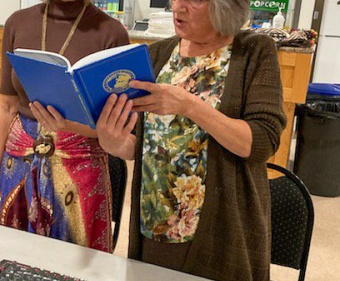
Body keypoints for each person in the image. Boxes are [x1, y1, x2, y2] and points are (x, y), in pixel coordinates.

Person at [96, 0, 286, 279]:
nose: (177, 7)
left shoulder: (254, 51)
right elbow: (141, 142)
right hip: (154, 220)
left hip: (223, 228)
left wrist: (189, 106)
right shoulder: (158, 53)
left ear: (226, 7)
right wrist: (113, 143)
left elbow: (261, 143)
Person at [0, 0, 129, 253]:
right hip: (19, 162)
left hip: (80, 164)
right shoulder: (17, 22)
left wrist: (68, 124)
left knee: (77, 259)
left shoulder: (111, 33)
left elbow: (115, 123)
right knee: (16, 253)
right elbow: (6, 104)